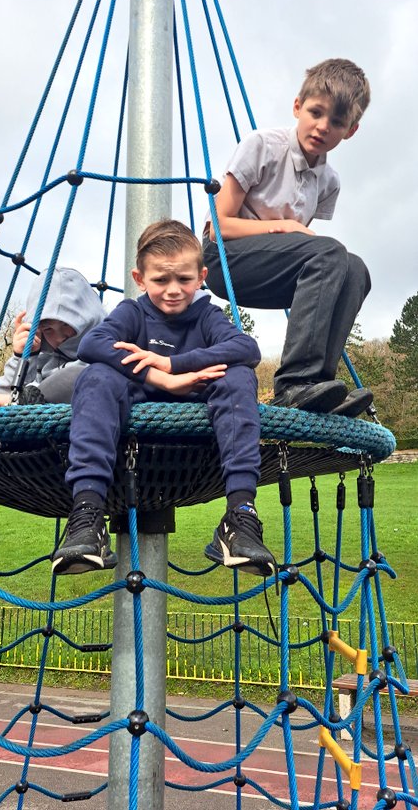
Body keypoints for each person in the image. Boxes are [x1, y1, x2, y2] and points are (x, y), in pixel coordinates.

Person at [52, 220, 277, 585]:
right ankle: (87, 515)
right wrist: (160, 378)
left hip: (197, 410)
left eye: (184, 279)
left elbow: (246, 348)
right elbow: (93, 344)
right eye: (160, 280)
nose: (173, 290)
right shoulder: (133, 312)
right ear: (140, 278)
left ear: (202, 276)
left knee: (239, 376)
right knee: (96, 376)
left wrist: (174, 363)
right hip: (136, 401)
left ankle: (240, 515)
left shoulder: (206, 316)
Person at [203, 58, 373, 416]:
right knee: (331, 253)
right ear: (298, 107)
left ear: (351, 130)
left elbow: (303, 254)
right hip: (225, 259)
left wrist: (293, 237)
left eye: (337, 122)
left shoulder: (329, 182)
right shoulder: (262, 146)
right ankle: (293, 383)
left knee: (355, 270)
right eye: (315, 112)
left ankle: (318, 388)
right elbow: (215, 227)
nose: (322, 127)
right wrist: (281, 226)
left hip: (272, 269)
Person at [0, 268, 106, 410]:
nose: (59, 337)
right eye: (48, 329)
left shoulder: (107, 347)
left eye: (67, 324)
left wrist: (20, 401)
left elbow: (99, 385)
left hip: (69, 425)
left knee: (73, 376)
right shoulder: (43, 356)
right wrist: (23, 356)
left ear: (87, 319)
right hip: (21, 424)